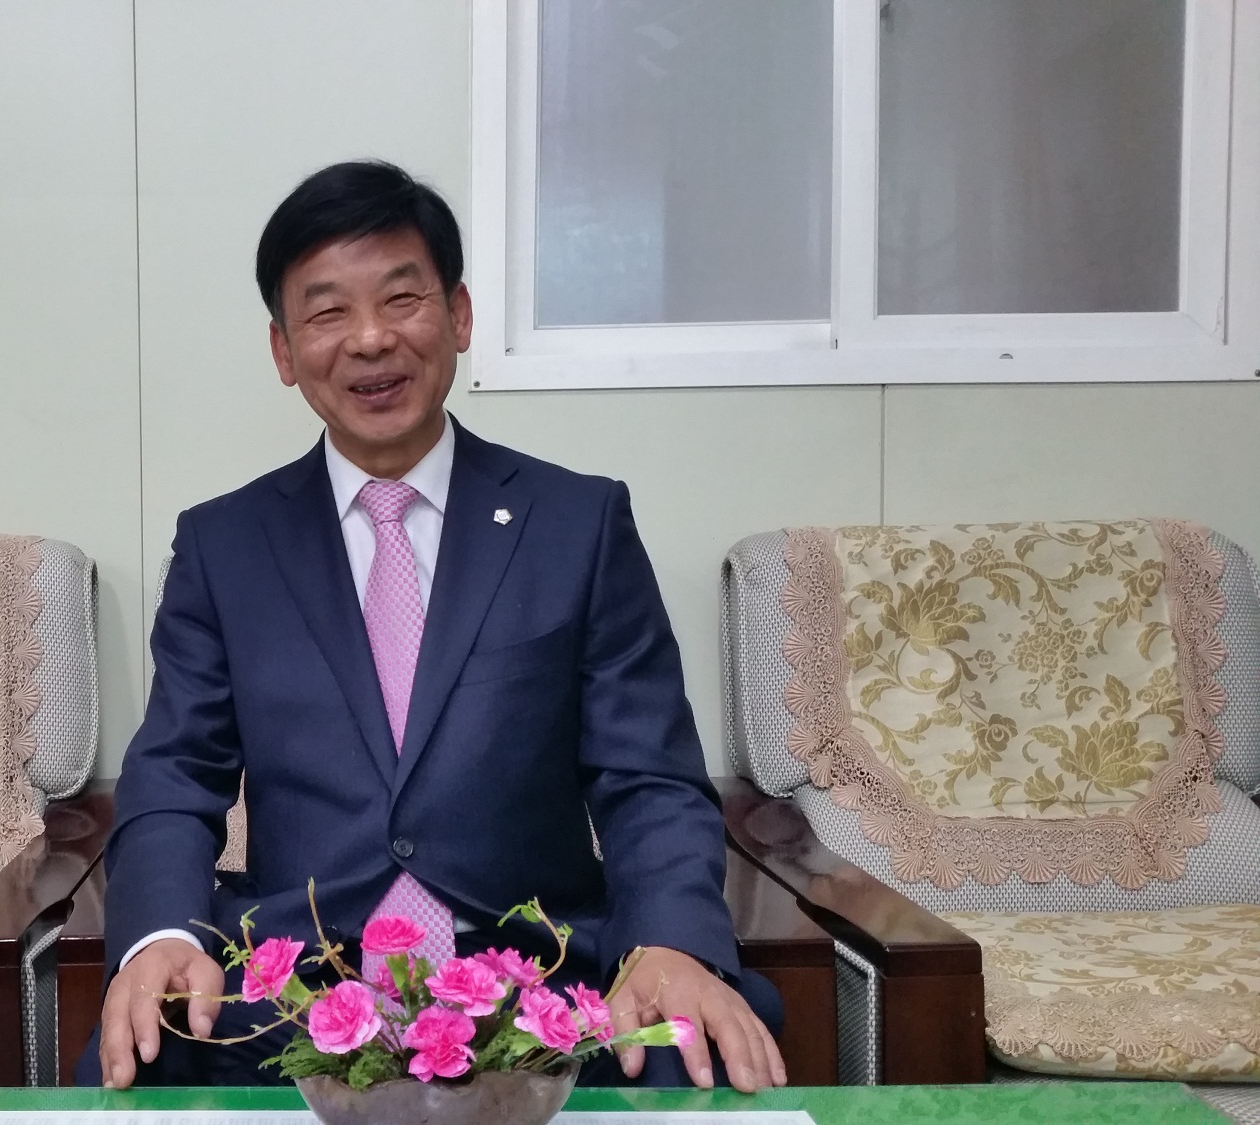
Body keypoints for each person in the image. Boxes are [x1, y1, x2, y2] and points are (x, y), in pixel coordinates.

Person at [84, 161, 785, 1094]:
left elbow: (647, 777)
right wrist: (160, 936)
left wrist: (668, 941)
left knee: (700, 1048)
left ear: (457, 315)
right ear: (284, 350)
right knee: (142, 1049)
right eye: (327, 312)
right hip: (304, 984)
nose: (370, 338)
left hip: (534, 977)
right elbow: (176, 771)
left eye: (401, 298)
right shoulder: (225, 545)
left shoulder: (575, 524)